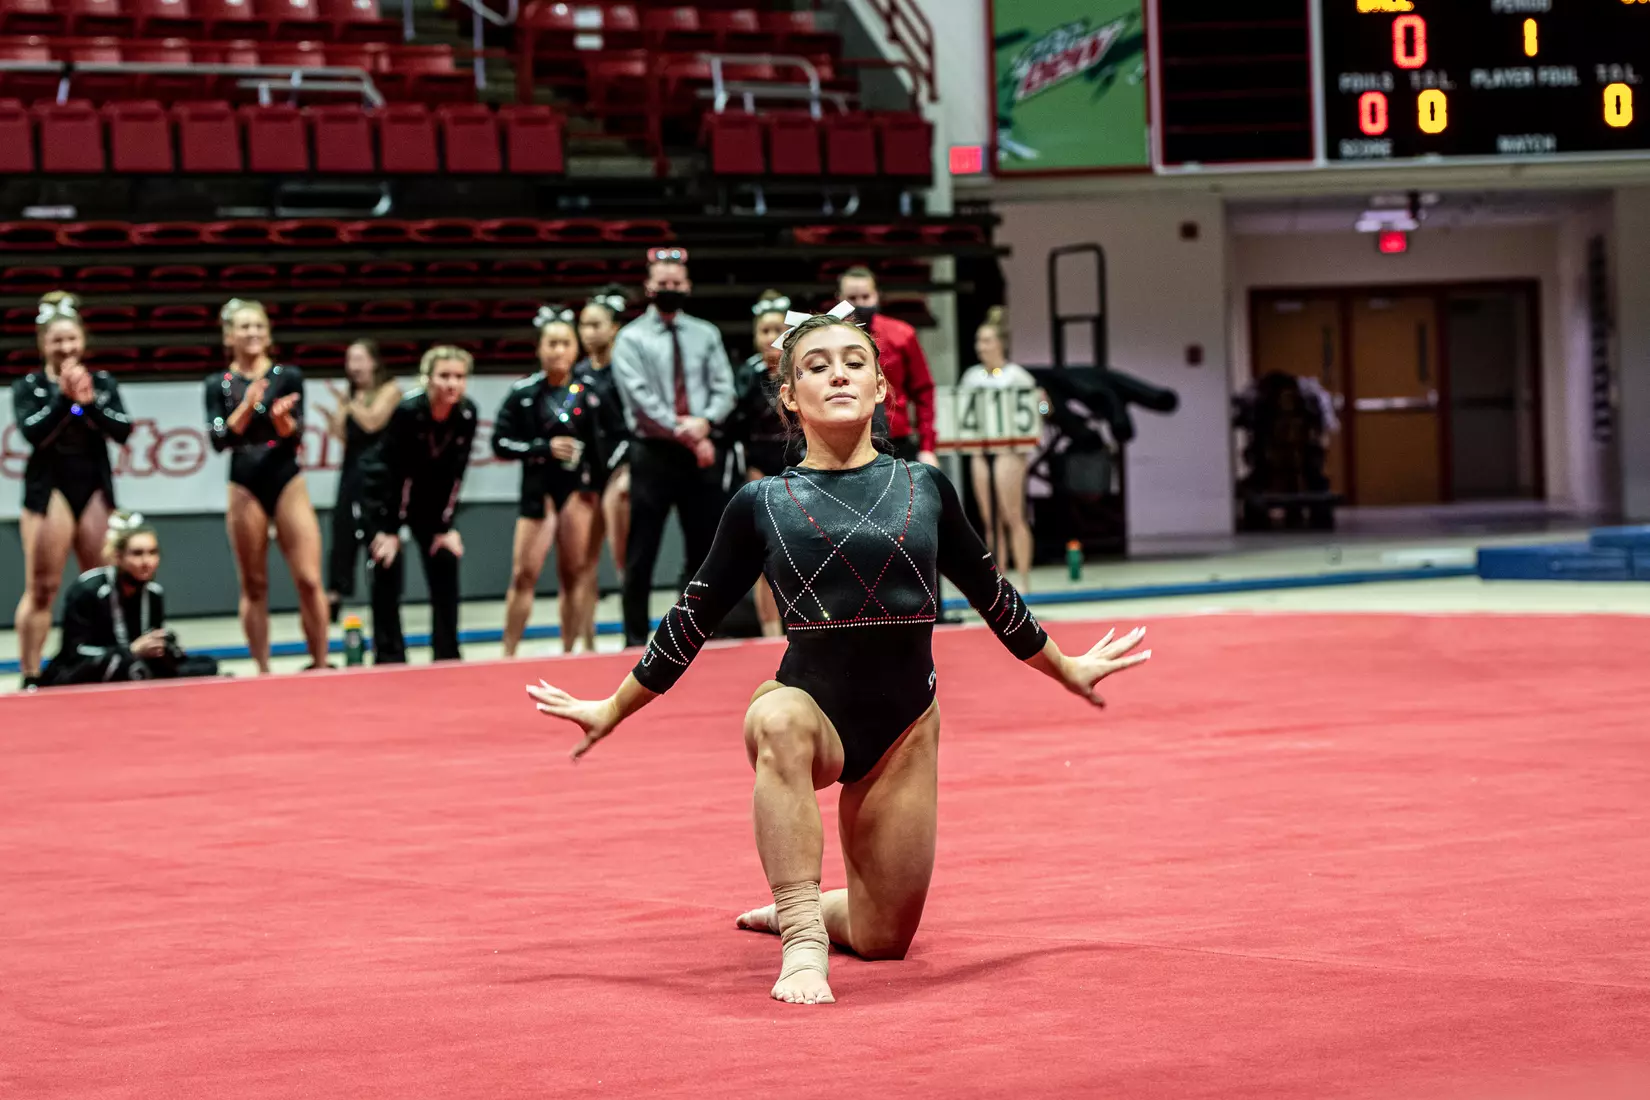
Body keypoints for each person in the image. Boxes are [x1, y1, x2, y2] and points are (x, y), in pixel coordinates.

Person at [527, 304, 1151, 1005]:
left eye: (855, 363)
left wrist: (1067, 668)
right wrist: (612, 707)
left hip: (905, 727)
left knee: (885, 939)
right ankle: (802, 937)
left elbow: (994, 595)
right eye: (816, 367)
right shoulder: (763, 502)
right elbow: (690, 620)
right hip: (808, 711)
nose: (839, 375)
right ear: (790, 396)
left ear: (882, 387)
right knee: (781, 725)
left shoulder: (925, 487)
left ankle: (803, 907)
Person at [610, 247, 737, 649]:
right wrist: (689, 433)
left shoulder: (706, 333)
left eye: (676, 284)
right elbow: (640, 400)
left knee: (704, 548)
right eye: (662, 284)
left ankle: (697, 632)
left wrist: (705, 423)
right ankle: (633, 637)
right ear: (648, 287)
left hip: (700, 452)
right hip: (654, 452)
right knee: (641, 549)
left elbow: (724, 389)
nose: (669, 289)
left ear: (688, 287)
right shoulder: (630, 338)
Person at [10, 292, 132, 689]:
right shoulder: (29, 386)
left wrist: (89, 403)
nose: (65, 348)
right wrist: (66, 400)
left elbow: (122, 429)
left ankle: (100, 663)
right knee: (42, 585)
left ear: (84, 340)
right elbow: (35, 434)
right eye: (56, 341)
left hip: (93, 487)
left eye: (71, 339)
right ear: (43, 344)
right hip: (50, 489)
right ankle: (30, 672)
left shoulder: (101, 383)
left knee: (100, 583)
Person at [205, 300, 330, 674]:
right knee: (254, 583)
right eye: (244, 327)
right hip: (244, 480)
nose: (252, 333)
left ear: (269, 332)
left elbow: (296, 435)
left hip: (285, 476)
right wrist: (246, 407)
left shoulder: (288, 376)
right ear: (229, 336)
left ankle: (321, 662)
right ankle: (262, 668)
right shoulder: (218, 384)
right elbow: (219, 439)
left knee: (308, 579)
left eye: (258, 326)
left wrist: (282, 421)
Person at [494, 307, 604, 656]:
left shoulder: (589, 393)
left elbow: (603, 446)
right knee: (524, 574)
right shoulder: (523, 392)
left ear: (576, 349)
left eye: (565, 343)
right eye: (551, 343)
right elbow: (500, 441)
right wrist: (541, 447)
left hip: (577, 491)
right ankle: (508, 652)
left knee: (573, 573)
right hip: (537, 491)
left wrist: (591, 481)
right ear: (540, 349)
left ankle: (570, 651)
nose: (558, 350)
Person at [362, 345, 478, 664]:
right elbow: (397, 474)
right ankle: (389, 653)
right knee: (387, 561)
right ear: (427, 379)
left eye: (458, 377)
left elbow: (456, 476)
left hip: (429, 500)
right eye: (444, 376)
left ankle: (446, 651)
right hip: (384, 495)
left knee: (445, 555)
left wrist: (445, 526)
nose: (451, 384)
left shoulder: (467, 414)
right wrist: (389, 530)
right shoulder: (408, 412)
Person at [39, 511, 218, 686]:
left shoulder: (154, 594)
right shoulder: (88, 590)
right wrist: (130, 651)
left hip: (135, 664)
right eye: (137, 554)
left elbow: (150, 640)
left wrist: (163, 646)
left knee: (205, 664)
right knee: (128, 668)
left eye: (152, 553)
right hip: (88, 668)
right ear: (118, 556)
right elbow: (75, 652)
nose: (147, 562)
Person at [729, 290, 799, 638]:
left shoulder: (802, 372)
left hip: (799, 468)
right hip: (759, 469)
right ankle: (770, 632)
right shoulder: (747, 375)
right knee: (764, 557)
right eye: (764, 331)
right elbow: (735, 427)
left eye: (778, 330)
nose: (772, 338)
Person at [958, 307, 1039, 592]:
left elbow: (1040, 408)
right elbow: (961, 413)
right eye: (979, 341)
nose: (982, 347)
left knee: (1012, 514)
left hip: (1010, 449)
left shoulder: (1017, 375)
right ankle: (998, 579)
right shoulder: (971, 377)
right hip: (981, 449)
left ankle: (1025, 579)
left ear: (1001, 343)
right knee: (989, 519)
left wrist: (1042, 402)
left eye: (987, 340)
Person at [322, 340, 401, 622]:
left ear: (374, 362)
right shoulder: (351, 395)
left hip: (380, 471)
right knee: (342, 526)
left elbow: (372, 422)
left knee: (375, 529)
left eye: (358, 359)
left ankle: (383, 593)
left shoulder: (389, 390)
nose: (352, 366)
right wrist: (335, 417)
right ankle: (335, 594)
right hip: (352, 468)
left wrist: (348, 404)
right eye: (349, 360)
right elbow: (343, 435)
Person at [573, 286, 631, 650]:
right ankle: (586, 641)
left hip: (620, 469)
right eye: (584, 325)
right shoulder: (578, 373)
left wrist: (624, 467)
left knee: (622, 557)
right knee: (583, 559)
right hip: (586, 474)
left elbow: (632, 424)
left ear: (614, 328)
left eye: (596, 324)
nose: (588, 331)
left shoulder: (623, 371)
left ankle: (632, 634)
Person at [837, 266, 937, 466]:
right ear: (839, 298)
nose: (860, 304)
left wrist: (927, 447)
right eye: (853, 298)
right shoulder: (827, 337)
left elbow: (923, 391)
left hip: (895, 439)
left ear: (877, 296)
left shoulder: (902, 334)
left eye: (866, 296)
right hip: (842, 439)